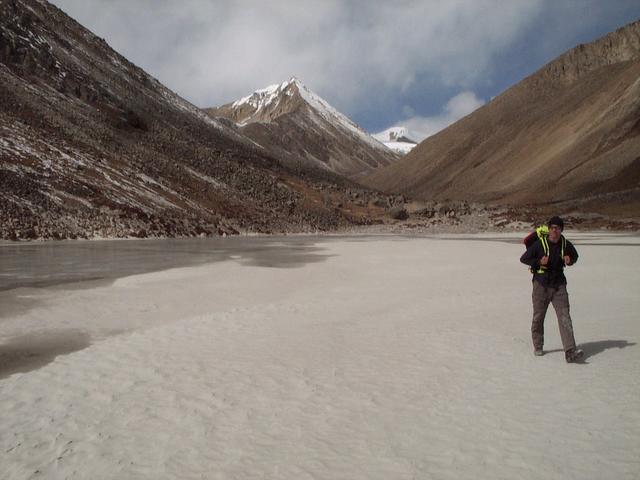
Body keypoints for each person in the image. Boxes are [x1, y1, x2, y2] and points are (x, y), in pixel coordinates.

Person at [520, 216, 584, 363]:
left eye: (558, 228)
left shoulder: (565, 244)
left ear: (561, 230)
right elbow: (524, 258)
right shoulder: (539, 245)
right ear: (549, 229)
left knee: (565, 317)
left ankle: (570, 351)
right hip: (541, 285)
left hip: (559, 285)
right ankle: (538, 345)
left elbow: (575, 256)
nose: (555, 230)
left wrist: (570, 260)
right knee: (538, 317)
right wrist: (538, 262)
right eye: (553, 227)